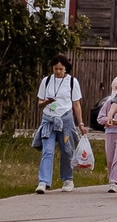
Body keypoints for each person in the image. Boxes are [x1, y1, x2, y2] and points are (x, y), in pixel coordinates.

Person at [32, 54, 81, 194]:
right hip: (49, 119)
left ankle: (68, 179)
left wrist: (81, 123)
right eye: (55, 69)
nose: (58, 71)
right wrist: (47, 102)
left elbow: (76, 104)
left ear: (66, 69)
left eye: (61, 69)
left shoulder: (72, 82)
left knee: (67, 150)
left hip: (65, 119)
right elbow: (40, 103)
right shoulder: (46, 81)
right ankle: (43, 181)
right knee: (47, 150)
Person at [97, 75, 117, 190]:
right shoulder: (109, 102)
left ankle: (114, 181)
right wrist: (108, 120)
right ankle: (111, 178)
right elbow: (100, 118)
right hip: (110, 132)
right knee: (110, 158)